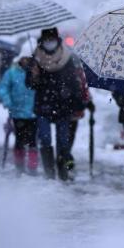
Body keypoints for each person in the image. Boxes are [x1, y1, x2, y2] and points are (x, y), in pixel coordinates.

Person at [25, 28, 87, 180]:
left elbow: (74, 83)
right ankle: (49, 173)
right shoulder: (36, 58)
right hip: (43, 105)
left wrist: (79, 103)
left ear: (57, 39)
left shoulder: (67, 57)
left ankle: (62, 170)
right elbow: (30, 84)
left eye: (52, 39)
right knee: (45, 139)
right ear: (42, 41)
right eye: (46, 39)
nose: (49, 42)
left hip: (63, 106)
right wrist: (34, 76)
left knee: (63, 142)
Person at [0, 41, 38, 174]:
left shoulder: (36, 72)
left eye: (29, 58)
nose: (27, 61)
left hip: (33, 113)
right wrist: (7, 100)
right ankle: (19, 166)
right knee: (19, 141)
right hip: (17, 112)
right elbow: (3, 87)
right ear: (21, 58)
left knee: (33, 141)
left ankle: (32, 167)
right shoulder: (12, 73)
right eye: (25, 58)